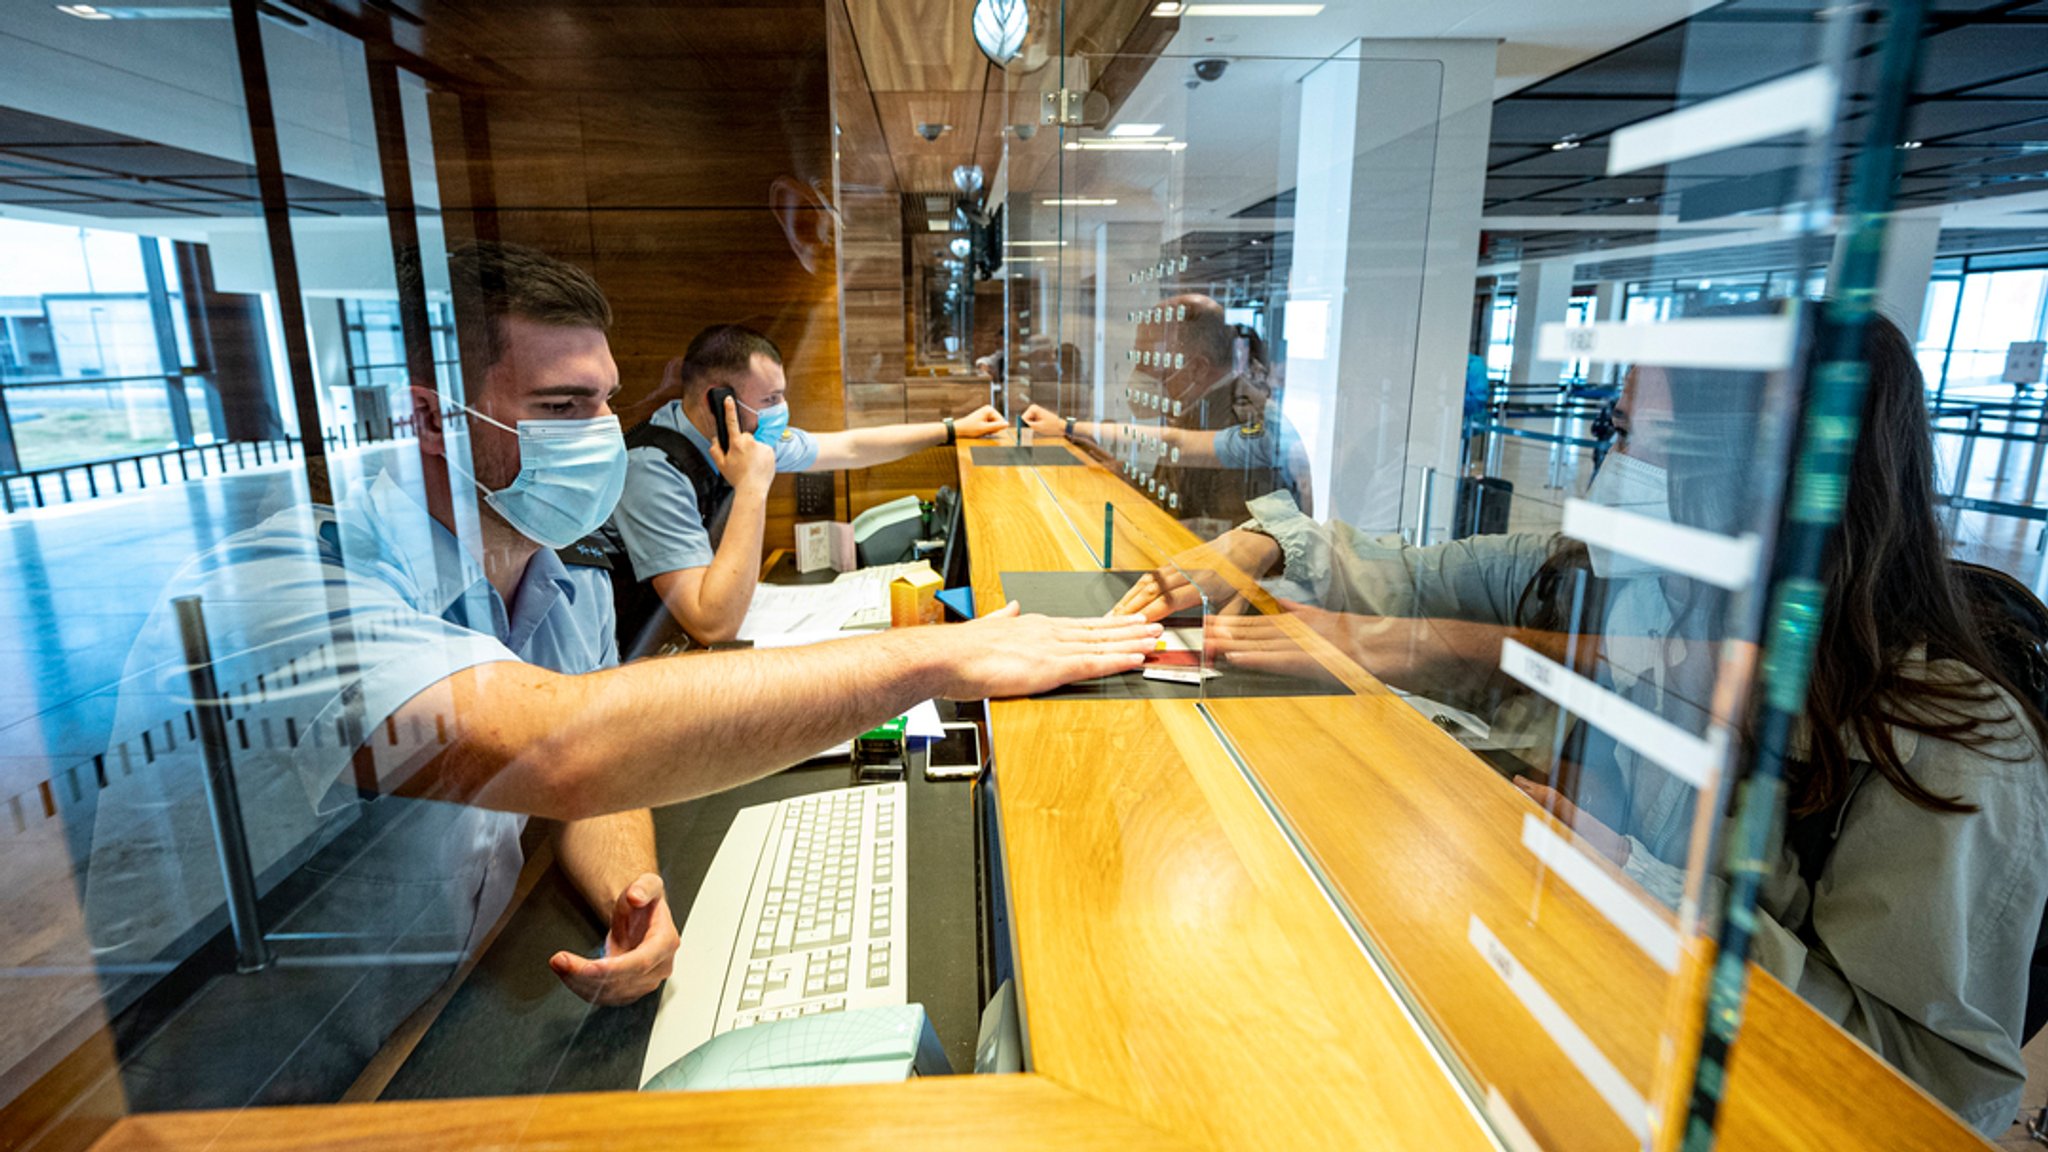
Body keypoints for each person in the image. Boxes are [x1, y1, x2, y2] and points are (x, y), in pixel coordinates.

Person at [82, 242, 1158, 1110]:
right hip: (250, 1096)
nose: (600, 433)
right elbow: (560, 743)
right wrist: (935, 654)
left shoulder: (553, 570)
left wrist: (627, 892)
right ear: (429, 420)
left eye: (603, 401)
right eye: (559, 409)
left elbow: (598, 783)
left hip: (440, 1018)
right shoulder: (275, 587)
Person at [1112, 309, 2048, 1137]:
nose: (1611, 467)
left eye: (1644, 444)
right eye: (1613, 428)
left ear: (1761, 479)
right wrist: (1265, 541)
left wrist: (1644, 891)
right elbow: (1408, 569)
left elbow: (1936, 1096)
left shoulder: (1946, 745)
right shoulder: (1629, 589)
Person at [611, 324, 1008, 646]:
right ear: (721, 401)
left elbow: (850, 448)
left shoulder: (742, 442)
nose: (780, 411)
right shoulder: (652, 471)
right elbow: (712, 625)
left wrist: (951, 429)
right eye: (770, 399)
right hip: (635, 659)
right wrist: (753, 486)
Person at [1018, 294, 1311, 534]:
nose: (1139, 374)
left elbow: (1228, 543)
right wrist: (1119, 473)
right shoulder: (1200, 408)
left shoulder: (1238, 421)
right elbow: (1178, 495)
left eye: (1150, 362)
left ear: (1197, 368)